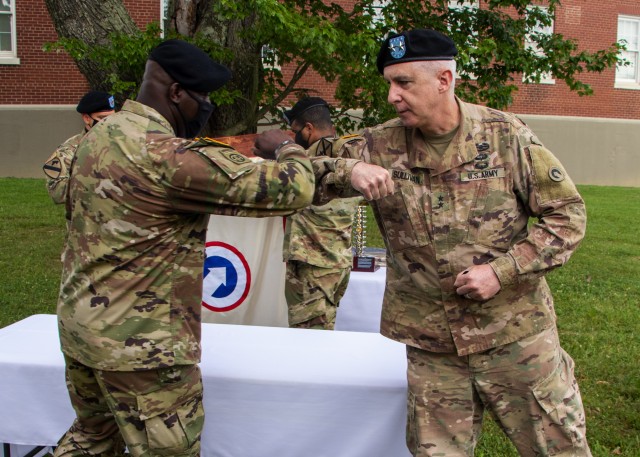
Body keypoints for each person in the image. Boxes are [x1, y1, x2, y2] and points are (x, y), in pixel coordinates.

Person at [309, 29, 592, 456]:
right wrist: (345, 171)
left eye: (404, 83)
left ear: (444, 80)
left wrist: (502, 271)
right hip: (432, 346)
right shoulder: (377, 145)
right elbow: (297, 167)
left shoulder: (505, 137)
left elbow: (567, 216)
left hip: (514, 336)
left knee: (558, 448)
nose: (392, 96)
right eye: (388, 82)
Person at [53, 39, 319, 457]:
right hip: (143, 353)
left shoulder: (99, 134)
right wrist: (286, 147)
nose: (207, 106)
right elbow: (295, 189)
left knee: (91, 440)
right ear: (176, 93)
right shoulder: (165, 156)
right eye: (204, 97)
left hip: (81, 333)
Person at [257, 97, 363, 329]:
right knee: (323, 334)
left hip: (313, 270)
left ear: (308, 129)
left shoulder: (306, 165)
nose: (293, 136)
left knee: (309, 344)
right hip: (338, 265)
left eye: (295, 131)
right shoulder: (349, 159)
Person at [42, 90, 116, 203]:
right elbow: (57, 192)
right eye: (103, 118)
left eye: (112, 118)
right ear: (87, 118)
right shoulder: (69, 150)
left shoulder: (122, 144)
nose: (108, 123)